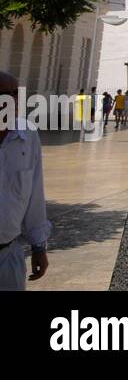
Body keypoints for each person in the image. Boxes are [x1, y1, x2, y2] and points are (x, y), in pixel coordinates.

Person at [0, 71, 51, 290]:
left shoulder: (27, 135)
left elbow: (35, 194)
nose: (12, 99)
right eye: (5, 94)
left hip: (7, 253)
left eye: (16, 94)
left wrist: (38, 246)